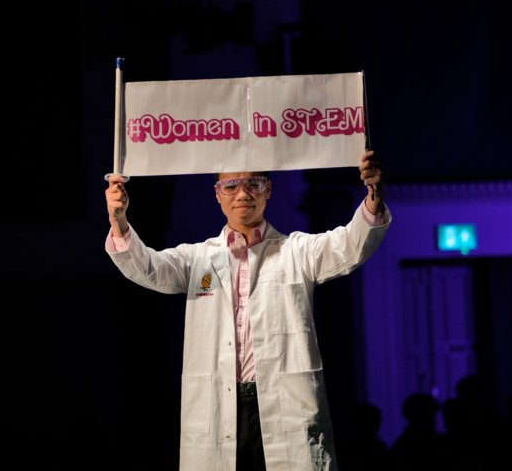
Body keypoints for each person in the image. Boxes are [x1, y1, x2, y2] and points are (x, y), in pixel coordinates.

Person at [105, 150, 391, 471]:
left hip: (284, 404)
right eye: (231, 186)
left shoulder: (297, 251)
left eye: (253, 184)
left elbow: (349, 244)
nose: (243, 194)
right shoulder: (196, 259)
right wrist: (119, 221)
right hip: (220, 403)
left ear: (268, 190)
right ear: (217, 195)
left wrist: (374, 196)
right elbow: (149, 268)